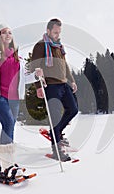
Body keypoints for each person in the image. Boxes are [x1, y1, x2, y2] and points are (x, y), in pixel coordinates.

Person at [0, 24, 43, 173]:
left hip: (13, 98)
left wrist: (35, 75)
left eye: (10, 32)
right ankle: (7, 165)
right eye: (4, 32)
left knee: (10, 125)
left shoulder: (17, 56)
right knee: (8, 122)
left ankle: (6, 159)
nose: (8, 35)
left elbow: (23, 78)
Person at [30, 18, 78, 161]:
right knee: (55, 117)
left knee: (73, 109)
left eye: (59, 32)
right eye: (55, 32)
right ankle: (57, 150)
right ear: (48, 30)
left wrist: (72, 80)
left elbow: (65, 65)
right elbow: (34, 67)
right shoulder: (40, 46)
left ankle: (55, 133)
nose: (57, 35)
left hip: (63, 84)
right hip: (50, 85)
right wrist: (38, 86)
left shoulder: (59, 46)